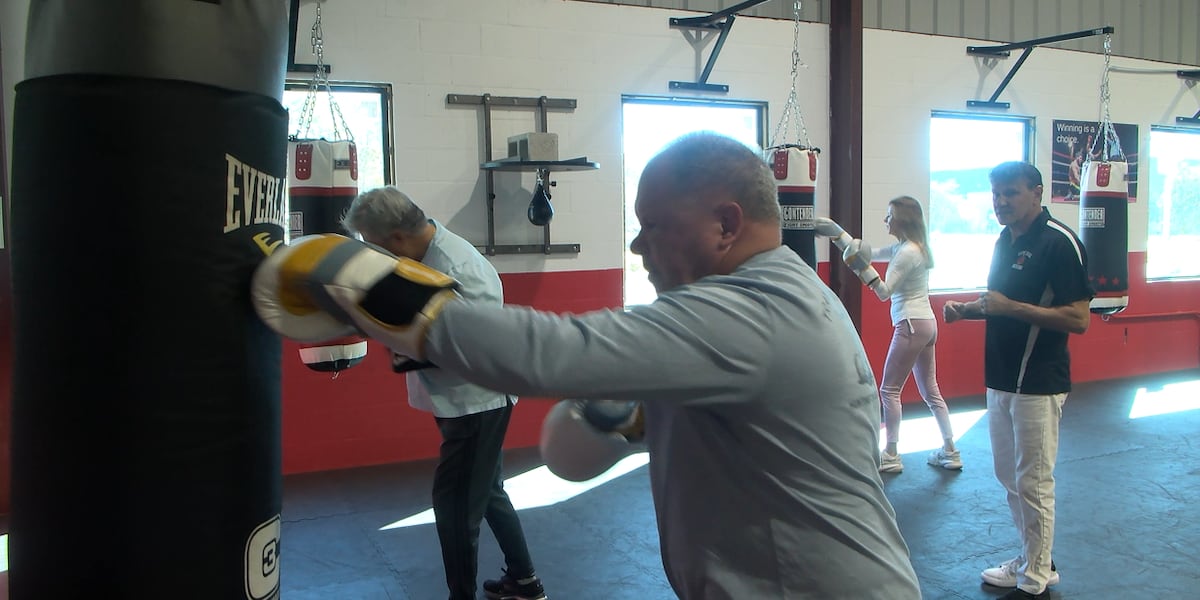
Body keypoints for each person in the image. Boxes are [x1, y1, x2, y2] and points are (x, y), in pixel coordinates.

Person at [258, 132, 922, 598]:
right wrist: (632, 417)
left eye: (653, 225)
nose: (636, 246)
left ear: (726, 223)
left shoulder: (752, 310)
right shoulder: (779, 294)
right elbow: (586, 447)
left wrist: (358, 281)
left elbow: (554, 352)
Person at [340, 186, 548, 600]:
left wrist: (385, 335)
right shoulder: (426, 258)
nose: (376, 254)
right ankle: (524, 581)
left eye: (376, 245)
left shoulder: (457, 268)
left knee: (454, 505)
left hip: (476, 402)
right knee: (487, 490)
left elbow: (474, 346)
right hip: (462, 400)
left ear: (396, 237)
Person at [943, 161, 1093, 600]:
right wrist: (967, 310)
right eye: (995, 194)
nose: (1001, 202)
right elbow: (1000, 301)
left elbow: (1078, 318)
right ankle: (1035, 558)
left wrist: (1009, 308)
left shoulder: (1059, 243)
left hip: (1040, 381)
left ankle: (1036, 579)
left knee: (1034, 480)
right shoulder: (1004, 241)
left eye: (1011, 193)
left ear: (1037, 193)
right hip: (1002, 377)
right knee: (1008, 476)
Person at [870, 196, 959, 473]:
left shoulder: (907, 252)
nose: (885, 220)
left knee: (889, 389)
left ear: (903, 220)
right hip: (926, 324)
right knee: (930, 391)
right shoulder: (906, 248)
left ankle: (892, 454)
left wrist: (863, 271)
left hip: (910, 323)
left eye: (889, 215)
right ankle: (950, 451)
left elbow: (884, 292)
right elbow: (872, 253)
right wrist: (840, 238)